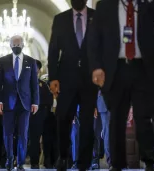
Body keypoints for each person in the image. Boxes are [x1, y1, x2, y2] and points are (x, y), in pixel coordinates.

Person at [87, 0, 154, 170]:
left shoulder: (146, 5)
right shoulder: (105, 6)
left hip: (143, 69)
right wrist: (96, 67)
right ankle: (117, 164)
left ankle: (150, 160)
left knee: (143, 117)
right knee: (117, 118)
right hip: (116, 69)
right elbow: (94, 37)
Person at [47, 0, 97, 170]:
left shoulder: (96, 17)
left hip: (89, 79)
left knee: (87, 121)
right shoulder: (60, 19)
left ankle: (84, 162)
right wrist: (52, 77)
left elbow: (102, 45)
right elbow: (53, 50)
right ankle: (63, 156)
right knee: (63, 118)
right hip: (66, 78)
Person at [0, 35, 39, 171]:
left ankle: (20, 163)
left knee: (23, 134)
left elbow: (34, 84)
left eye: (19, 45)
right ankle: (9, 160)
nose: (16, 47)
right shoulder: (3, 61)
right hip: (8, 103)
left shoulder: (31, 62)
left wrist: (35, 102)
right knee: (7, 133)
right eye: (14, 45)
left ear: (23, 45)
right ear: (10, 46)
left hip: (25, 103)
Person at [28, 60, 53, 169]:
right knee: (34, 139)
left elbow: (49, 99)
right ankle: (34, 162)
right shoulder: (26, 83)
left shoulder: (43, 84)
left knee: (47, 139)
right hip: (32, 115)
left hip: (45, 114)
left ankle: (48, 161)